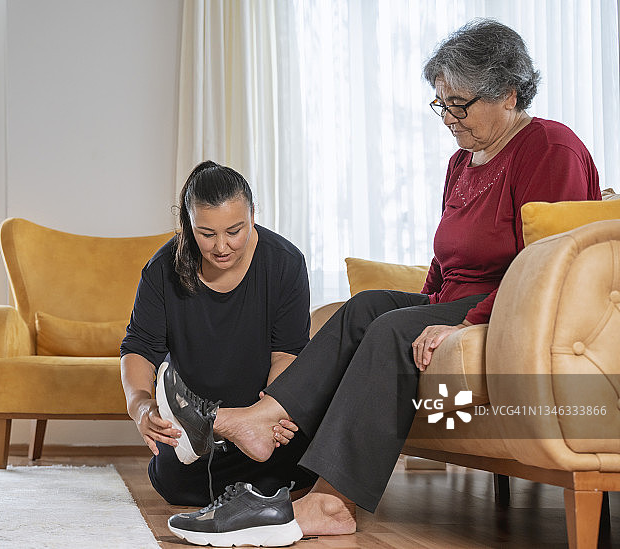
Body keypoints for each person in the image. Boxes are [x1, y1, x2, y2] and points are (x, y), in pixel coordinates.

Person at [164, 18, 602, 546]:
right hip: (457, 299)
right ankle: (262, 418)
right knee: (366, 307)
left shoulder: (551, 149)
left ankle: (331, 503)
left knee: (392, 330)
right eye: (441, 103)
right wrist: (427, 304)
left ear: (509, 93)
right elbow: (446, 259)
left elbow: (546, 267)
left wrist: (465, 323)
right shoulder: (462, 161)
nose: (448, 118)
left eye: (459, 104)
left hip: (505, 307)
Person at [120, 160, 317, 507]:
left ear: (252, 215)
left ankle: (249, 443)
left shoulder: (285, 262)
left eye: (234, 231)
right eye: (207, 234)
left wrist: (271, 414)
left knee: (299, 458)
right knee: (173, 480)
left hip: (265, 416)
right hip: (198, 433)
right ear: (188, 224)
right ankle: (233, 449)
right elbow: (139, 347)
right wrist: (140, 407)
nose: (222, 247)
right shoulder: (161, 268)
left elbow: (287, 352)